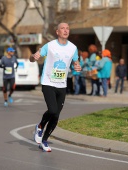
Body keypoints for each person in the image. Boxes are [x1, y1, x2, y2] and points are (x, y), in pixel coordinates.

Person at [30, 22, 81, 152]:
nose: (65, 30)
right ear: (57, 32)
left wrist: (77, 66)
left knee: (56, 116)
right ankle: (40, 126)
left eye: (67, 28)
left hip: (62, 85)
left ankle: (44, 141)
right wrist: (33, 57)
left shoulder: (73, 48)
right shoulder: (50, 45)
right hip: (48, 82)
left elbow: (76, 62)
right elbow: (33, 57)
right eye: (62, 28)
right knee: (52, 110)